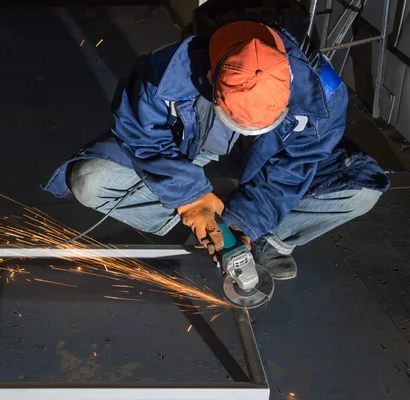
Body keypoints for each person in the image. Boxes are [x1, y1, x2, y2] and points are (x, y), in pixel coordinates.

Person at [43, 16, 389, 280]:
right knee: (90, 180)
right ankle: (198, 216)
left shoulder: (322, 93)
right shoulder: (163, 73)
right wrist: (190, 198)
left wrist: (243, 223)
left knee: (359, 192)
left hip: (270, 156)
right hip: (192, 146)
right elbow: (142, 137)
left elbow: (297, 163)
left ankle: (263, 237)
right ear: (211, 78)